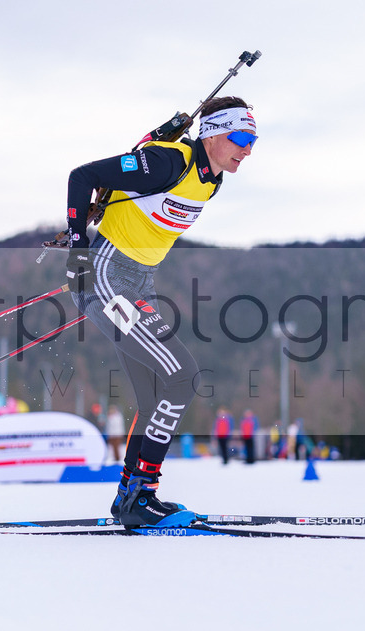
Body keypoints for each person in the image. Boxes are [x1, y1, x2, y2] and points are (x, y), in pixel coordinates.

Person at [65, 96, 257, 528]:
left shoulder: (212, 179)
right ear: (213, 133)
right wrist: (78, 252)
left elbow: (137, 170)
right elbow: (85, 176)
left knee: (156, 395)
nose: (248, 150)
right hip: (106, 276)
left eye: (253, 141)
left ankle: (130, 498)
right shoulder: (171, 162)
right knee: (181, 376)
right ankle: (142, 494)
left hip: (140, 283)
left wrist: (155, 134)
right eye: (241, 138)